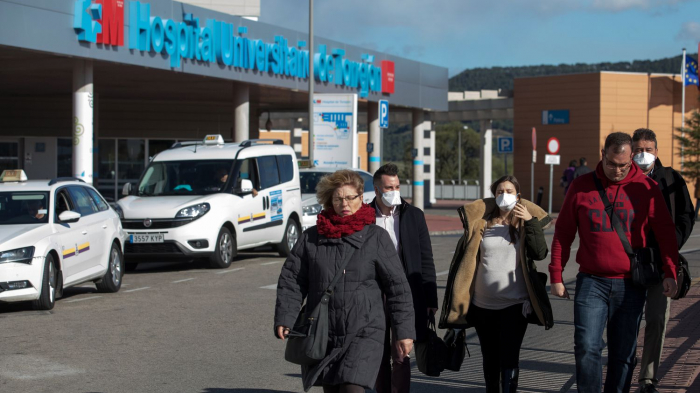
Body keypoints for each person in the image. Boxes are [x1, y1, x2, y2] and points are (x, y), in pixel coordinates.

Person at [550, 132, 679, 393]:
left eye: (623, 165)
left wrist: (670, 272)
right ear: (603, 155)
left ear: (631, 158)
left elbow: (665, 234)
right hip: (591, 282)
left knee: (623, 353)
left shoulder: (647, 188)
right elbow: (563, 232)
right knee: (587, 346)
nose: (617, 170)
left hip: (630, 284)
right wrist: (556, 274)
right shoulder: (581, 186)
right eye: (611, 164)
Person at [274, 169, 415, 393]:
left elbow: (398, 288)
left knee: (352, 388)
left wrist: (404, 331)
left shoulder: (375, 237)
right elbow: (292, 279)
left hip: (365, 331)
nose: (344, 203)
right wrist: (285, 317)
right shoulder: (311, 238)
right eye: (338, 198)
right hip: (323, 331)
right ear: (329, 200)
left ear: (361, 198)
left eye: (350, 197)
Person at [439, 175, 553, 393]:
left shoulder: (523, 223)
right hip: (483, 306)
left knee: (509, 358)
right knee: (490, 358)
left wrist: (530, 221)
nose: (504, 195)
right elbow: (468, 261)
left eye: (509, 191)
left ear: (518, 196)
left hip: (515, 306)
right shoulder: (481, 225)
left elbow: (539, 253)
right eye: (500, 191)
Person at [632, 128, 695, 393]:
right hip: (629, 262)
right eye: (638, 150)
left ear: (656, 151)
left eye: (648, 149)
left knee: (657, 319)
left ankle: (647, 378)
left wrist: (673, 241)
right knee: (627, 319)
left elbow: (686, 215)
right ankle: (625, 361)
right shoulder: (621, 178)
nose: (642, 154)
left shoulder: (670, 178)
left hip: (661, 263)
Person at [369, 163, 437, 393]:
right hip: (374, 295)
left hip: (405, 295)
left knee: (401, 353)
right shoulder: (365, 216)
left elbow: (425, 258)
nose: (394, 192)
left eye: (397, 186)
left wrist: (430, 299)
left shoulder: (413, 215)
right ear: (377, 190)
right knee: (378, 352)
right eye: (389, 187)